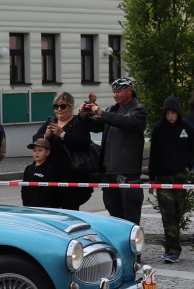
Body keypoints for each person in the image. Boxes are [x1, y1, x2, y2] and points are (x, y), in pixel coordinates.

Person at [79, 77, 147, 226]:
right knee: (113, 212)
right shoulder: (113, 109)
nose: (115, 95)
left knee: (130, 215)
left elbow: (128, 122)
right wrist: (84, 117)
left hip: (127, 171)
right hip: (109, 170)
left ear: (129, 91)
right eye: (114, 92)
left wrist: (102, 113)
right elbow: (96, 126)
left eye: (119, 91)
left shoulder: (138, 110)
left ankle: (132, 241)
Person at [148, 96, 194, 263]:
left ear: (178, 113)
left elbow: (192, 148)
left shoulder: (186, 128)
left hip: (180, 176)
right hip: (163, 177)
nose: (170, 116)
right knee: (168, 213)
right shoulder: (158, 129)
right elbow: (153, 154)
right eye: (168, 113)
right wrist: (152, 178)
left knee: (178, 212)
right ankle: (173, 250)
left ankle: (170, 245)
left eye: (173, 112)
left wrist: (188, 166)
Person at [32, 92, 93, 210]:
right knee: (51, 210)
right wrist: (46, 136)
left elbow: (83, 143)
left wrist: (63, 135)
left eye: (63, 106)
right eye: (56, 106)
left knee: (69, 210)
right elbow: (35, 139)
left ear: (71, 107)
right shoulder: (51, 122)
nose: (59, 109)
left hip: (72, 176)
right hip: (51, 175)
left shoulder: (77, 122)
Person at [21, 138, 59, 208]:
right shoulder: (28, 168)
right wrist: (25, 201)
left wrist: (39, 204)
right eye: (35, 150)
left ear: (47, 152)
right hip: (29, 205)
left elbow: (49, 190)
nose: (37, 153)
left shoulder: (50, 169)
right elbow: (24, 187)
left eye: (40, 150)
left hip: (44, 207)